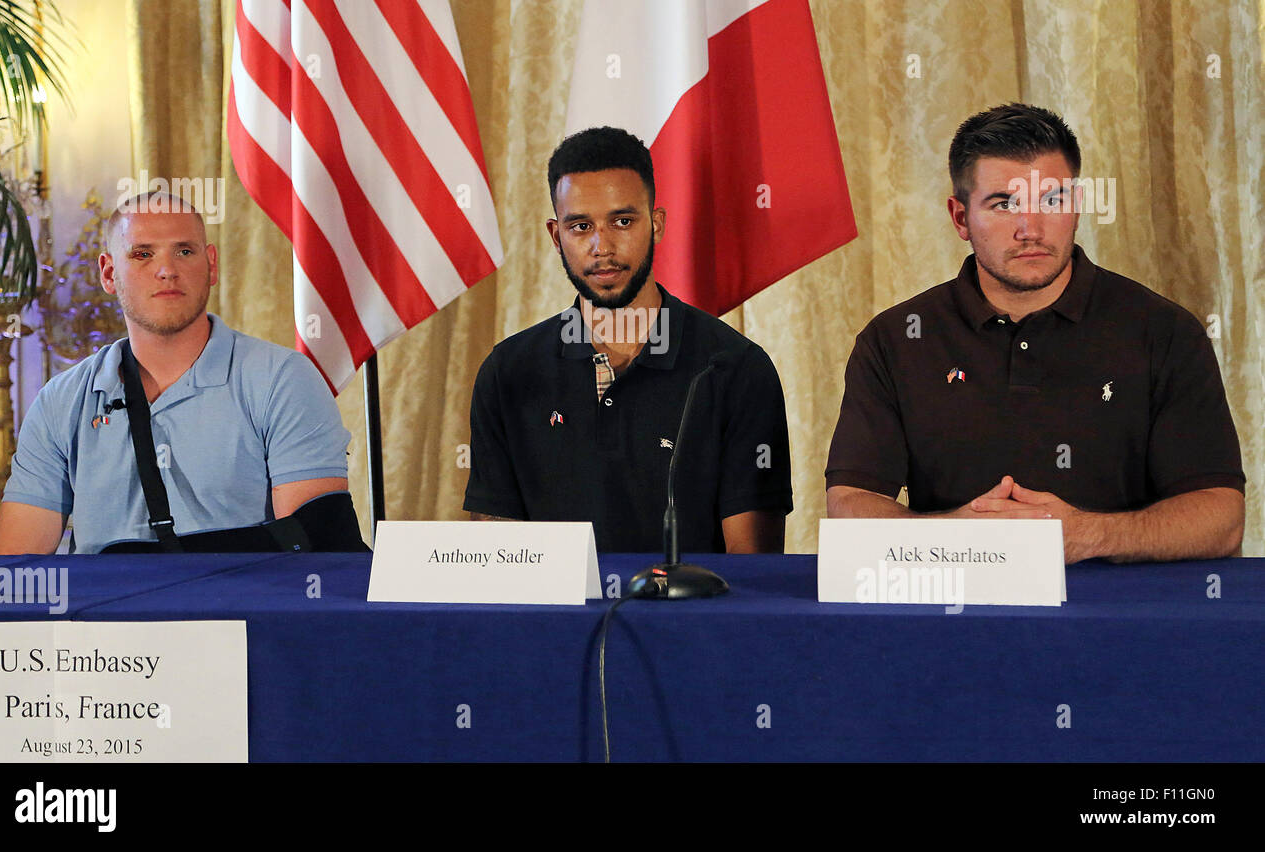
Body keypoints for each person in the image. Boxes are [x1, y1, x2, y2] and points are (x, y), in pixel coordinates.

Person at [825, 103, 1245, 563]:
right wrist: (958, 538)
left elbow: (1221, 519)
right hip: (952, 615)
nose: (1031, 229)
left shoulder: (1166, 333)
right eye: (1004, 204)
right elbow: (850, 505)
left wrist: (1085, 536)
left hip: (1123, 621)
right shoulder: (895, 340)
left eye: (1052, 201)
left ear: (1077, 208)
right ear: (960, 218)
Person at [464, 127, 792, 553]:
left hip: (688, 620)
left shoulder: (735, 368)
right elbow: (497, 564)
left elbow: (751, 578)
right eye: (580, 226)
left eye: (622, 221)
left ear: (656, 225)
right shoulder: (507, 372)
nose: (602, 246)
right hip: (555, 622)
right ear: (555, 236)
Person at [0, 191, 354, 554]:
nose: (167, 270)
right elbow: (17, 569)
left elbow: (310, 554)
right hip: (105, 611)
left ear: (211, 264)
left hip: (238, 609)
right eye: (142, 254)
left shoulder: (283, 380)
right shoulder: (61, 400)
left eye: (184, 251)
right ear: (108, 272)